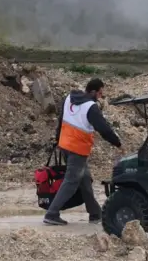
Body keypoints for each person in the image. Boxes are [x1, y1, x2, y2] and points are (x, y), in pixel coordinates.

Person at [44, 78, 123, 226]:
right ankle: (52, 213)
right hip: (77, 149)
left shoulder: (69, 98)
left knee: (85, 178)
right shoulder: (91, 107)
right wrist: (117, 143)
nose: (100, 96)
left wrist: (57, 140)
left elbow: (61, 120)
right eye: (100, 93)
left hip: (65, 145)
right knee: (71, 181)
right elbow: (104, 129)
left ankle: (95, 213)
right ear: (93, 91)